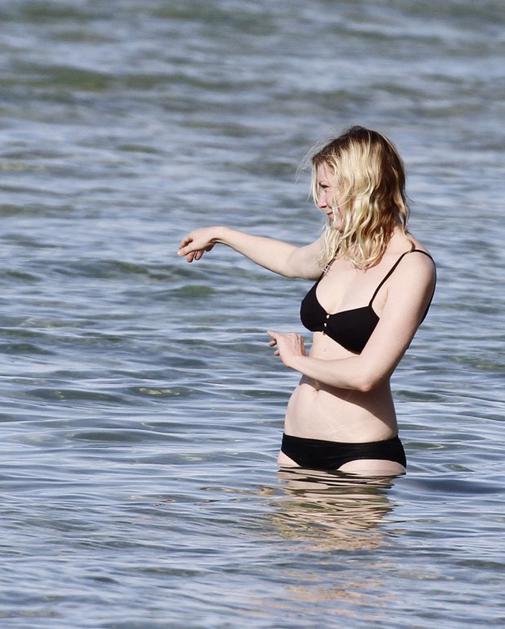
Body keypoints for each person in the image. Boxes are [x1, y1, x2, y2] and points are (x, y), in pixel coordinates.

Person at [177, 126, 436, 476]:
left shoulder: (412, 267)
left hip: (360, 456)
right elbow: (290, 261)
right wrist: (220, 235)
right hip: (294, 449)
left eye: (327, 188)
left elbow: (367, 375)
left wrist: (297, 360)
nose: (321, 201)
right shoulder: (342, 245)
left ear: (362, 185)